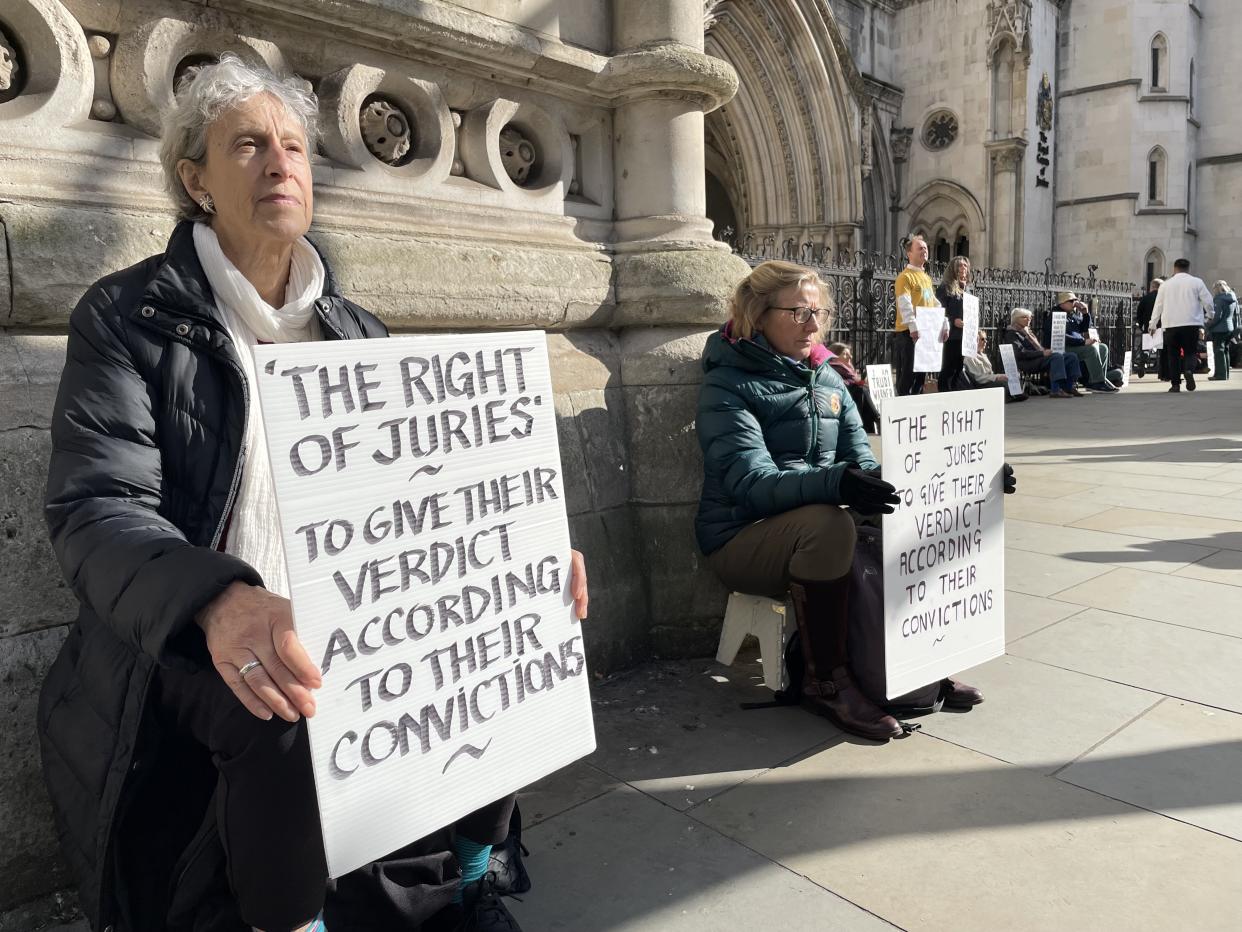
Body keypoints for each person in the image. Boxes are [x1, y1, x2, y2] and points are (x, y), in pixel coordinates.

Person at [37, 55, 588, 932]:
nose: (280, 163)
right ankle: (292, 921)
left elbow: (431, 491)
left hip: (350, 601)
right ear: (195, 180)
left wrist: (514, 549)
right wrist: (219, 596)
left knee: (496, 625)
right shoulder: (127, 314)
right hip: (188, 629)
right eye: (248, 145)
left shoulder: (355, 328)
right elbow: (96, 508)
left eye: (293, 145)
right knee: (281, 703)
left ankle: (477, 869)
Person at [695, 260, 999, 743]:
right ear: (757, 313)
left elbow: (862, 463)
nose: (813, 325)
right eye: (798, 312)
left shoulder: (829, 377)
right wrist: (838, 483)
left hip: (811, 520)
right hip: (742, 536)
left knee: (908, 514)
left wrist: (969, 478)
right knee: (831, 526)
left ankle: (921, 659)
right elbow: (751, 483)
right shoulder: (728, 381)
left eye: (818, 312)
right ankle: (825, 682)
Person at [1149, 257, 1214, 392]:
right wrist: (1210, 316)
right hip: (1191, 323)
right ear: (1188, 269)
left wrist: (1153, 324)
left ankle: (1175, 384)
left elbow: (1158, 306)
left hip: (1171, 324)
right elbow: (1208, 301)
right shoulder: (1196, 282)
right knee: (1190, 352)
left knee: (1173, 355)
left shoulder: (1165, 285)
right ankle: (1189, 370)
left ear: (1174, 268)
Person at [892, 234, 939, 396]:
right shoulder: (904, 277)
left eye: (925, 248)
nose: (924, 250)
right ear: (909, 254)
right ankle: (903, 406)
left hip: (925, 331)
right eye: (920, 248)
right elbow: (904, 304)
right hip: (908, 333)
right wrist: (913, 327)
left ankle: (916, 406)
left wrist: (944, 323)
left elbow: (933, 301)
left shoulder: (926, 278)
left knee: (921, 374)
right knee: (908, 374)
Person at [1003, 307, 1084, 398]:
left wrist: (1044, 352)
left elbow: (1038, 348)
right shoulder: (1012, 333)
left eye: (1030, 317)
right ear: (1016, 319)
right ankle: (1055, 390)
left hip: (1039, 358)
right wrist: (1042, 353)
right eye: (1025, 317)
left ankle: (1069, 386)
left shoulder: (1027, 332)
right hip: (1027, 362)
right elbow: (1020, 353)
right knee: (1056, 357)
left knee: (1071, 356)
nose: (1029, 319)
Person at [1052, 290, 1118, 391]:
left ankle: (1097, 380)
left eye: (1075, 300)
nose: (1074, 303)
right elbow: (1060, 336)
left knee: (1103, 348)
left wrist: (1085, 313)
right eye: (1071, 301)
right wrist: (1083, 342)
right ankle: (1097, 383)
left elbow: (1084, 328)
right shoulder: (1055, 315)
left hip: (1076, 345)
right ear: (1062, 303)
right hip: (1064, 347)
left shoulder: (1072, 315)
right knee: (1090, 350)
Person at [826, 341, 881, 433]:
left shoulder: (848, 369)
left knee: (862, 390)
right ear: (834, 357)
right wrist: (856, 384)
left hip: (850, 397)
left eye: (850, 354)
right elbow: (839, 385)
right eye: (845, 354)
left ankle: (873, 423)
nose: (850, 357)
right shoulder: (831, 368)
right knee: (860, 390)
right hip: (839, 399)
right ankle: (877, 418)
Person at [935, 255, 972, 391]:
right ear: (953, 268)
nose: (964, 268)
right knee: (948, 368)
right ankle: (944, 393)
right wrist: (952, 320)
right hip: (951, 335)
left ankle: (954, 394)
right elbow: (939, 310)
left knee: (959, 368)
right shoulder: (945, 288)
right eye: (960, 265)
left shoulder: (967, 289)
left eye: (966, 265)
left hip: (964, 336)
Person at [963, 331, 1025, 400]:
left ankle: (1016, 395)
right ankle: (1013, 396)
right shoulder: (969, 358)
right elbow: (979, 379)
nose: (985, 341)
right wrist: (996, 377)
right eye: (982, 339)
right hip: (982, 385)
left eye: (986, 339)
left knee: (1012, 378)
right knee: (1003, 383)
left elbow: (990, 374)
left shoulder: (983, 355)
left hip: (988, 381)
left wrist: (1001, 376)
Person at [1208, 280, 1237, 380]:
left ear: (1216, 288)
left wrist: (1208, 325)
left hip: (1219, 329)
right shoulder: (1232, 298)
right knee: (1226, 350)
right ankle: (1225, 374)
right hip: (1229, 327)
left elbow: (1217, 317)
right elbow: (1235, 315)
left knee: (1219, 351)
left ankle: (1220, 375)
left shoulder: (1218, 299)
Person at [1134, 278, 1162, 378]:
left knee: (1146, 347)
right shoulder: (1163, 298)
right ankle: (1161, 370)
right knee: (1162, 350)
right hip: (1162, 326)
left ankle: (1144, 359)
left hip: (1148, 326)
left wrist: (1142, 325)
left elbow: (1139, 313)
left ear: (1152, 287)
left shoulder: (1146, 298)